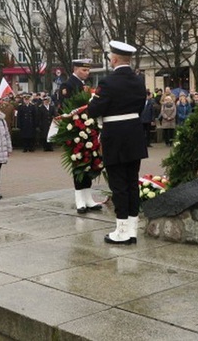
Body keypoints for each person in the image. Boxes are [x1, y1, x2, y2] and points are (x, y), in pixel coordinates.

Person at [87, 41, 148, 245]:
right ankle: (132, 229)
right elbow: (140, 108)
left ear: (114, 59)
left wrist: (92, 102)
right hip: (134, 134)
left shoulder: (108, 82)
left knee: (118, 184)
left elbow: (94, 110)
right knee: (132, 182)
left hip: (115, 136)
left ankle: (121, 231)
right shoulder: (139, 80)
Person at [59, 59, 101, 213]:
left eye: (88, 70)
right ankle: (79, 200)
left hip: (88, 127)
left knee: (90, 161)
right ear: (76, 69)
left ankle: (88, 198)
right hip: (75, 129)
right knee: (79, 163)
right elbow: (66, 108)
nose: (87, 73)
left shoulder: (85, 86)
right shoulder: (67, 85)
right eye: (84, 70)